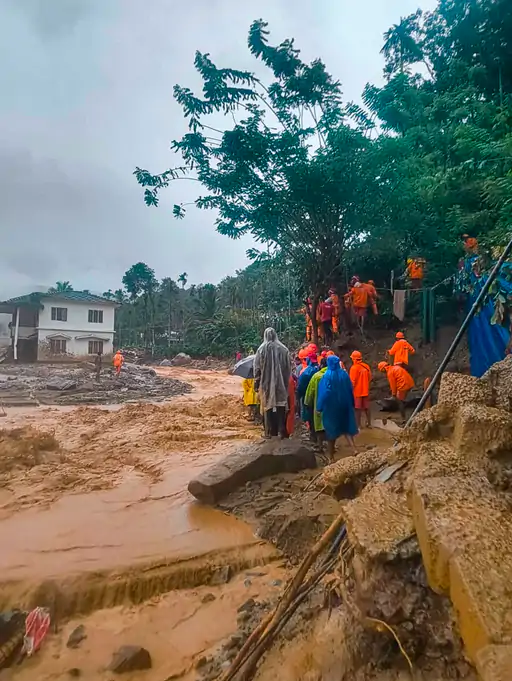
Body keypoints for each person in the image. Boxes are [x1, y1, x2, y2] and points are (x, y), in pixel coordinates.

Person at [317, 355, 358, 462]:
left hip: (332, 407)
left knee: (331, 431)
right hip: (345, 404)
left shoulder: (326, 376)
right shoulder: (344, 374)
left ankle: (331, 458)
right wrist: (352, 403)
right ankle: (354, 449)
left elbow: (324, 393)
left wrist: (319, 407)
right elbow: (350, 388)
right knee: (346, 427)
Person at [254, 328, 291, 439]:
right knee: (281, 404)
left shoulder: (261, 350)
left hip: (265, 383)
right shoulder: (283, 349)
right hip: (281, 382)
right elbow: (288, 368)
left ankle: (270, 431)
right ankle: (281, 430)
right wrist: (285, 381)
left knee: (267, 406)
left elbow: (257, 368)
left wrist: (257, 383)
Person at [304, 356, 328, 452]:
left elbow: (310, 391)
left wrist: (307, 403)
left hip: (318, 404)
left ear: (321, 365)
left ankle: (320, 446)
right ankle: (332, 447)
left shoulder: (317, 376)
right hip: (333, 405)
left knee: (319, 426)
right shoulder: (335, 375)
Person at [296, 351, 320, 441]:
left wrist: (298, 396)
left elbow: (300, 387)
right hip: (319, 397)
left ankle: (313, 435)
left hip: (308, 397)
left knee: (310, 417)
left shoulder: (306, 372)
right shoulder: (320, 369)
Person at [349, 351, 372, 429]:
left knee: (357, 409)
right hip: (365, 390)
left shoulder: (354, 368)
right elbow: (370, 378)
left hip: (357, 392)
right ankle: (369, 423)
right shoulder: (366, 366)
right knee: (367, 407)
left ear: (354, 359)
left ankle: (358, 425)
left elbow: (352, 382)